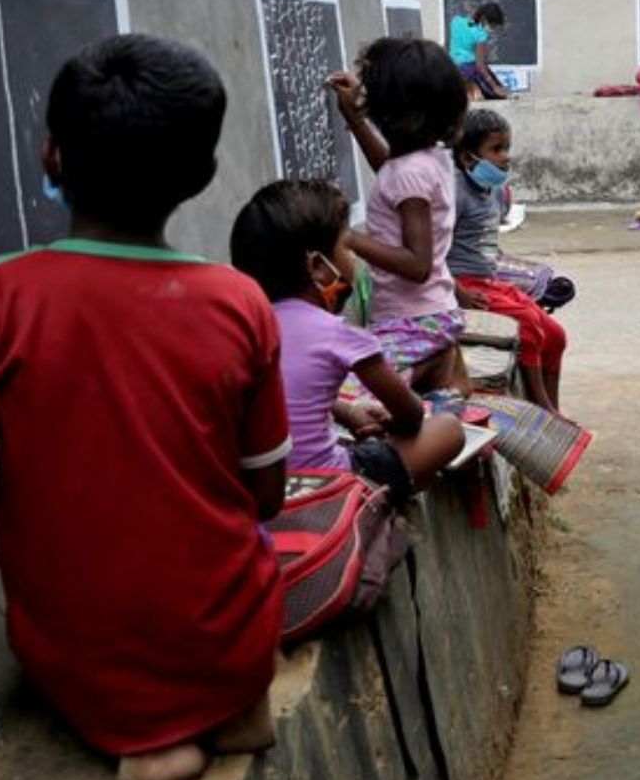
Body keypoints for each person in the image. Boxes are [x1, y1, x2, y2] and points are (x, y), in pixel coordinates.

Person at [0, 35, 285, 780]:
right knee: (234, 602)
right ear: (203, 175)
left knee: (132, 697)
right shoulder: (241, 301)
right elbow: (265, 497)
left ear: (52, 157)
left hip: (99, 670)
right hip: (237, 636)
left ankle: (150, 742)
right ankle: (235, 702)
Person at [231, 179, 466, 499]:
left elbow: (283, 392)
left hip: (257, 483)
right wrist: (388, 423)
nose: (354, 259)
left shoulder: (245, 328)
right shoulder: (340, 335)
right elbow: (410, 416)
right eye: (347, 248)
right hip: (327, 483)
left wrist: (346, 413)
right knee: (449, 430)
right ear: (318, 267)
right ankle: (388, 493)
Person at [329, 37, 469, 390]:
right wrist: (356, 122)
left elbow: (417, 265)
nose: (369, 108)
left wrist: (348, 238)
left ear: (407, 117)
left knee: (356, 395)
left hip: (413, 322)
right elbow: (391, 177)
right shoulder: (427, 158)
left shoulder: (409, 171)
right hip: (430, 313)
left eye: (375, 104)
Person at [447, 109, 570, 413]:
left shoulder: (496, 191)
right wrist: (457, 290)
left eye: (507, 148)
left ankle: (553, 407)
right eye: (496, 149)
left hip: (490, 281)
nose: (506, 157)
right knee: (528, 327)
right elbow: (432, 252)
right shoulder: (454, 194)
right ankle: (543, 411)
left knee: (555, 335)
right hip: (464, 285)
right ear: (467, 157)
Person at [449, 0, 509, 100]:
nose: (492, 29)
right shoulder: (480, 35)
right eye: (493, 26)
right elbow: (480, 65)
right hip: (469, 69)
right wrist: (494, 87)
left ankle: (468, 87)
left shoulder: (456, 21)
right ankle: (472, 87)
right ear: (484, 19)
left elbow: (469, 25)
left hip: (453, 67)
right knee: (499, 93)